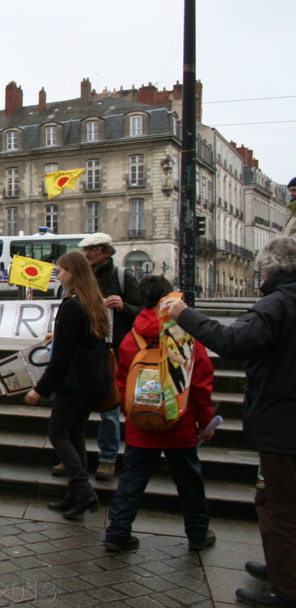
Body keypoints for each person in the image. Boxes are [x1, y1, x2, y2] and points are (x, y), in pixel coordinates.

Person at [163, 238, 296, 608]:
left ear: (268, 270)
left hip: (282, 423)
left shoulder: (277, 304)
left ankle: (287, 589)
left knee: (277, 505)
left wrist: (184, 314)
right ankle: (283, 566)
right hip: (286, 416)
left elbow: (233, 341)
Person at [103, 275, 216, 553]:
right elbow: (200, 383)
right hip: (180, 419)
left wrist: (132, 413)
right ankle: (198, 534)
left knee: (132, 480)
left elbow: (121, 382)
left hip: (142, 421)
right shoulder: (184, 335)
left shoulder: (132, 337)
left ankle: (117, 532)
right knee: (189, 481)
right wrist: (205, 422)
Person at [25, 251, 110, 519]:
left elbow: (61, 357)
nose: (57, 275)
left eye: (60, 271)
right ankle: (74, 496)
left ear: (71, 273)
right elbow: (84, 338)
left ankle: (84, 491)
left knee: (58, 433)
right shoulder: (91, 300)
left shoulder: (72, 305)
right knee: (75, 434)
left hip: (75, 381)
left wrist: (40, 389)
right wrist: (59, 333)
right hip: (93, 380)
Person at [52, 232, 139, 482]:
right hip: (82, 353)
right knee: (74, 416)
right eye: (85, 250)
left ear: (107, 252)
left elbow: (143, 312)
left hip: (111, 351)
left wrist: (124, 307)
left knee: (109, 410)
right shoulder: (78, 278)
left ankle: (108, 458)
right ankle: (70, 457)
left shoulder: (122, 277)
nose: (88, 254)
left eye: (94, 249)